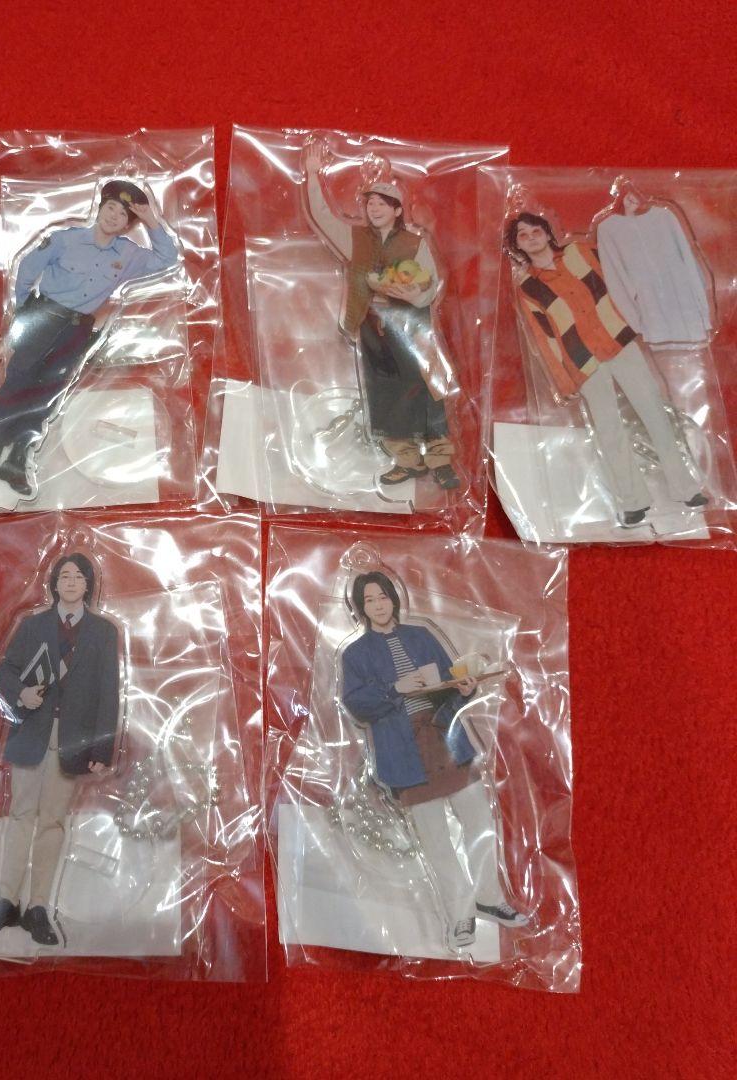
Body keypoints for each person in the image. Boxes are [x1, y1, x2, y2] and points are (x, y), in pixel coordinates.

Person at [340, 571, 528, 951]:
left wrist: (464, 688)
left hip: (445, 737)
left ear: (394, 598)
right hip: (402, 749)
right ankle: (460, 916)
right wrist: (395, 688)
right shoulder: (355, 653)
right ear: (360, 607)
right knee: (436, 841)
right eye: (369, 600)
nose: (378, 605)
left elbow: (449, 684)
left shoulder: (421, 636)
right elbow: (356, 704)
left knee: (480, 820)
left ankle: (489, 898)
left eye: (382, 597)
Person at [0, 180, 180, 498]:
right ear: (99, 208)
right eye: (110, 208)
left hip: (77, 331)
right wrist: (22, 317)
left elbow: (167, 258)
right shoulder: (65, 239)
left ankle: (17, 461)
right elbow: (27, 271)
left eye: (123, 214)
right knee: (17, 385)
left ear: (128, 225)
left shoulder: (129, 254)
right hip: (43, 318)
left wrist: (151, 220)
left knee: (47, 394)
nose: (114, 216)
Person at [506, 211, 706, 527]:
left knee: (654, 412)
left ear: (547, 232)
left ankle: (686, 488)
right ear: (517, 245)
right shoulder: (527, 287)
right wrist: (564, 380)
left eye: (535, 231)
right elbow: (546, 339)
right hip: (581, 359)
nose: (531, 238)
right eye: (523, 235)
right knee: (609, 429)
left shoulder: (581, 252)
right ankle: (633, 502)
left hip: (619, 340)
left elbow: (623, 280)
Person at [0, 553, 121, 946]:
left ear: (88, 585)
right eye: (64, 576)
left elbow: (108, 694)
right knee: (21, 815)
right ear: (53, 583)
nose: (71, 582)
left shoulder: (103, 632)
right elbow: (5, 669)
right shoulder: (33, 625)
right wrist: (21, 693)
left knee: (53, 821)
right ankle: (6, 900)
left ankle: (38, 906)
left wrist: (101, 749)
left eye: (78, 576)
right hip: (32, 733)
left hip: (71, 740)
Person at [302, 144, 461, 491]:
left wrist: (413, 295)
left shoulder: (415, 242)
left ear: (397, 209)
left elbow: (430, 283)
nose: (374, 209)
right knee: (385, 394)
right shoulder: (355, 238)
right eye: (370, 203)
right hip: (372, 328)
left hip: (412, 327)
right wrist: (313, 174)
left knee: (427, 390)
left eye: (382, 204)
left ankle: (440, 460)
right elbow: (322, 216)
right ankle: (406, 460)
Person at [596, 183, 714, 347]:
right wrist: (638, 323)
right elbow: (615, 280)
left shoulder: (665, 217)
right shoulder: (608, 230)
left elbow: (689, 262)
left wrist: (703, 311)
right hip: (654, 320)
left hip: (687, 312)